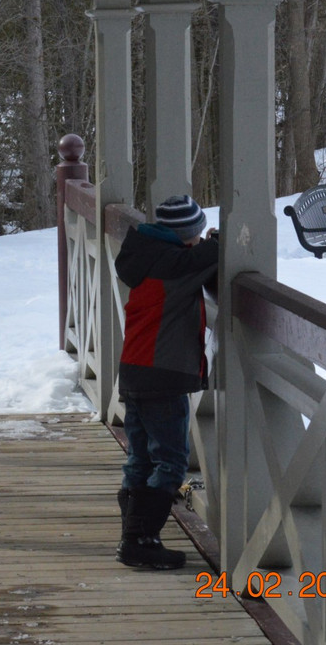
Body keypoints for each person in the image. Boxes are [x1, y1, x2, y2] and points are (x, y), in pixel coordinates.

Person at [113, 194, 219, 569]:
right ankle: (140, 541)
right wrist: (218, 243)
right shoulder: (177, 263)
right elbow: (207, 257)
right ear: (186, 235)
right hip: (163, 374)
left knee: (141, 456)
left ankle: (132, 535)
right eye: (197, 232)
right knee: (172, 461)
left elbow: (196, 258)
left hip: (135, 369)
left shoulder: (148, 254)